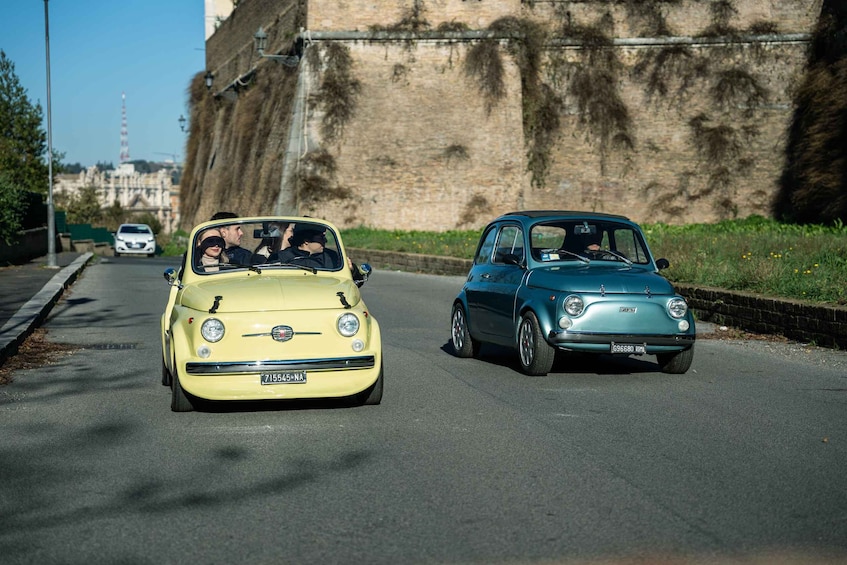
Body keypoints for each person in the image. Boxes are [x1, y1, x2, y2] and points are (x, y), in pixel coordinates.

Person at [270, 224, 364, 284]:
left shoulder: (332, 257)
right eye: (321, 238)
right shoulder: (281, 257)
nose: (325, 241)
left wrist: (351, 269)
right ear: (306, 241)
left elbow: (355, 283)